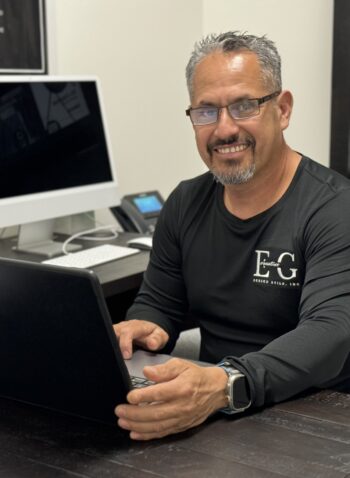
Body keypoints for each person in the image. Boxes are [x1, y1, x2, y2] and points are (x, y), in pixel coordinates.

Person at [114, 31, 350, 441]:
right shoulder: (185, 202)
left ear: (283, 109)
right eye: (206, 111)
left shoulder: (333, 208)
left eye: (244, 106)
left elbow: (331, 331)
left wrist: (227, 384)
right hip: (210, 416)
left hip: (317, 419)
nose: (224, 129)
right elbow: (159, 302)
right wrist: (143, 325)